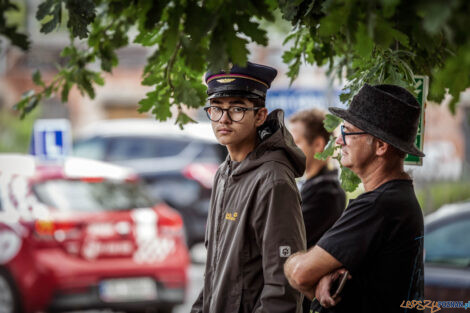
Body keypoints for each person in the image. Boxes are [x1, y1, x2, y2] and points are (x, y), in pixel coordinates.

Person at [284, 84, 425, 313]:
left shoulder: (378, 206)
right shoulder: (399, 198)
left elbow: (300, 274)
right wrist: (327, 274)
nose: (339, 141)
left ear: (380, 146)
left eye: (348, 132)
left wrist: (293, 263)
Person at [190, 61, 306, 313]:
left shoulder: (273, 180)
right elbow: (214, 271)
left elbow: (283, 286)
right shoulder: (224, 173)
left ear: (260, 116)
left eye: (238, 109)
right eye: (216, 108)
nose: (224, 119)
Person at [289, 109, 346, 313]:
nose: (289, 149)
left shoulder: (327, 194)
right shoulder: (308, 185)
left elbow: (288, 240)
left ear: (319, 145)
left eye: (296, 142)